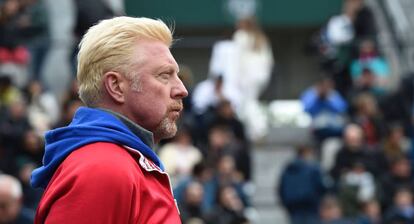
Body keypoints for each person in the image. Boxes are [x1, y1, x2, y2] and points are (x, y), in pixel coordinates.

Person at [30, 16, 188, 223]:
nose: (182, 90)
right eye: (164, 75)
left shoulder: (116, 162)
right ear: (116, 86)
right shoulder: (103, 167)